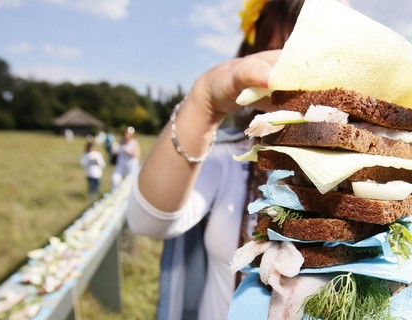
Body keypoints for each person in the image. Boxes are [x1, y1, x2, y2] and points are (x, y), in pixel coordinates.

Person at [124, 1, 307, 319]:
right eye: (282, 53)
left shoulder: (368, 166)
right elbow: (147, 220)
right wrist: (206, 101)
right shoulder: (232, 158)